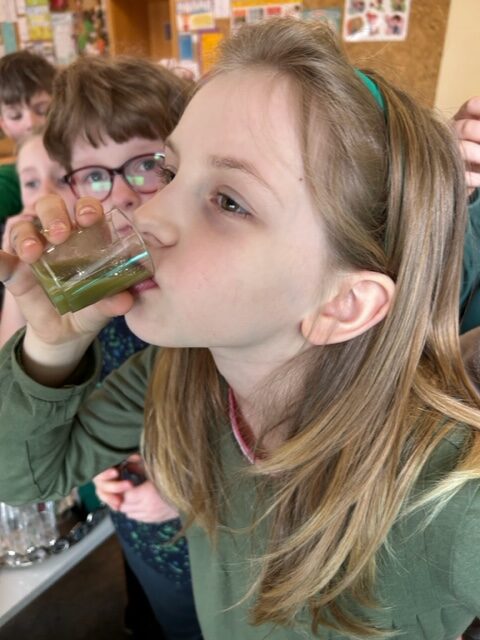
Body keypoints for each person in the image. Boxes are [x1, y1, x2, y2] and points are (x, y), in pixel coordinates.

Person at [1, 17, 480, 639]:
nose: (146, 215)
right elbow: (23, 475)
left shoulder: (449, 497)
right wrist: (53, 342)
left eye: (229, 201)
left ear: (343, 304)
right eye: (170, 172)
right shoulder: (177, 376)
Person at [0, 56, 200, 640]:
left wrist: (185, 491)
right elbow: (32, 464)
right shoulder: (101, 303)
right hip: (138, 541)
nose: (124, 196)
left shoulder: (208, 304)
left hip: (218, 560)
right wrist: (48, 338)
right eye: (94, 177)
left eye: (148, 165)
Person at [0, 50, 56, 225]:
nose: (30, 123)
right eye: (15, 115)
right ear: (4, 125)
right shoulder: (8, 180)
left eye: (42, 110)